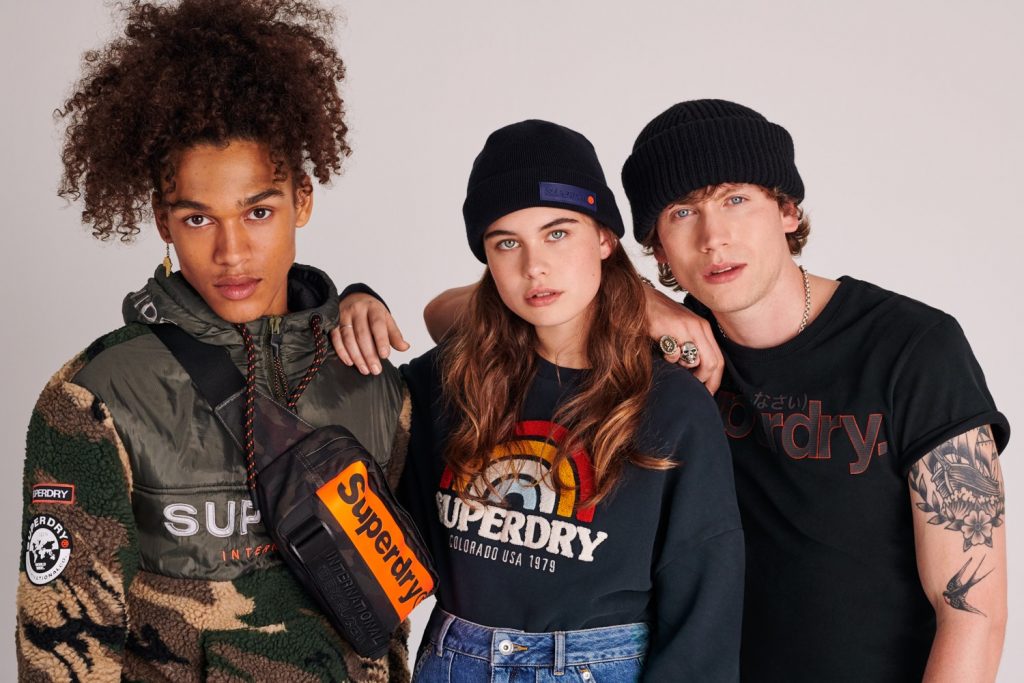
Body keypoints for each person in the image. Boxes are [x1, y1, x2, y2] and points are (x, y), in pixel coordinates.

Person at [339, 100, 1010, 682]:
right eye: (682, 212)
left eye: (736, 199)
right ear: (654, 245)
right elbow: (466, 319)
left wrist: (634, 299)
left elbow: (971, 608)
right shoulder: (658, 354)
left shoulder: (912, 348)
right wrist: (635, 299)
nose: (713, 237)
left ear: (787, 209)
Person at [17, 1, 410, 681]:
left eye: (258, 211)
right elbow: (63, 651)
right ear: (163, 221)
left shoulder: (373, 379)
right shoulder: (97, 397)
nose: (232, 252)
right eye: (199, 218)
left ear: (302, 200)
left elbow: (388, 625)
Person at [392, 120, 743, 682]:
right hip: (453, 660)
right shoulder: (448, 378)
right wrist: (355, 302)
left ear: (604, 239)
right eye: (507, 243)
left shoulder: (672, 405)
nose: (534, 266)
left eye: (557, 233)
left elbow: (704, 605)